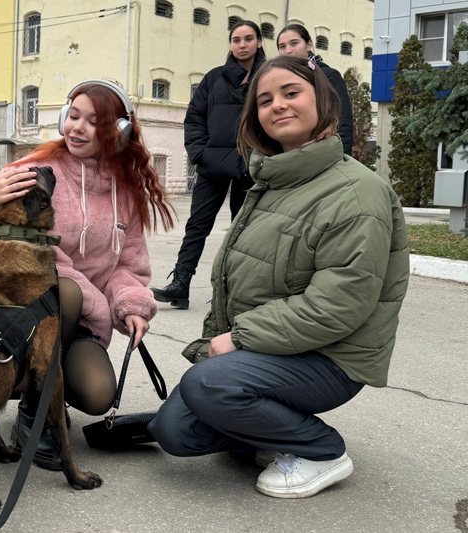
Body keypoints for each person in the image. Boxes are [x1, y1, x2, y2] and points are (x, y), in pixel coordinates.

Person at [147, 56, 410, 499]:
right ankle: (275, 430)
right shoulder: (273, 181)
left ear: (322, 102)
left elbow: (337, 306)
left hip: (330, 358)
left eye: (291, 93)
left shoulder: (356, 192)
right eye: (265, 100)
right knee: (174, 432)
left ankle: (322, 450)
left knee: (207, 385)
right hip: (278, 350)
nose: (277, 106)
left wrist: (241, 338)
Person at [0, 79, 174, 469]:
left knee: (99, 394)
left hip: (82, 320)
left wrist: (131, 304)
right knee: (64, 288)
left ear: (118, 132)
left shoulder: (125, 191)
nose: (77, 128)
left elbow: (128, 266)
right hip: (21, 315)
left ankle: (47, 392)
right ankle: (35, 414)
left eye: (93, 122)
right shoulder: (35, 171)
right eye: (72, 116)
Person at [151, 20, 265, 310]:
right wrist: (200, 153)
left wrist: (258, 158)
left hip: (250, 169)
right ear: (230, 44)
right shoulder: (214, 79)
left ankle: (236, 291)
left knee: (246, 232)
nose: (242, 44)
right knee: (196, 227)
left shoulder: (269, 77)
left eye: (248, 39)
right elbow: (194, 118)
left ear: (259, 43)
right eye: (236, 39)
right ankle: (180, 284)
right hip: (212, 166)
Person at [277, 24, 354, 156]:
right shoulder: (277, 81)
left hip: (324, 156)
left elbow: (343, 122)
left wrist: (341, 158)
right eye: (282, 46)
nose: (288, 51)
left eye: (294, 43)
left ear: (308, 44)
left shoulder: (328, 76)